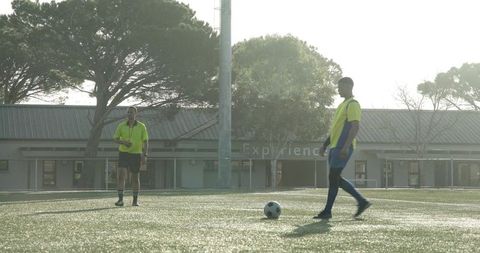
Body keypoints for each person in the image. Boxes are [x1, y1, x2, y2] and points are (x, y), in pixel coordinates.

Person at [314, 77, 371, 219]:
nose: (338, 90)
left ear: (349, 86)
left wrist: (346, 147)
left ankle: (327, 211)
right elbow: (335, 130)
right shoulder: (342, 105)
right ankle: (362, 201)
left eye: (340, 87)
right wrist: (324, 145)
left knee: (333, 178)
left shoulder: (353, 104)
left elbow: (355, 126)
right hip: (334, 147)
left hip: (342, 147)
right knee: (336, 179)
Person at [113, 106, 148, 207]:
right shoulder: (121, 125)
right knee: (121, 176)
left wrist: (145, 155)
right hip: (123, 153)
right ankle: (120, 200)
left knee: (135, 177)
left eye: (131, 112)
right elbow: (115, 138)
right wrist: (123, 142)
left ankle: (135, 201)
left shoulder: (142, 126)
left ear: (135, 114)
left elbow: (145, 141)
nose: (130, 114)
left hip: (136, 154)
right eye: (128, 112)